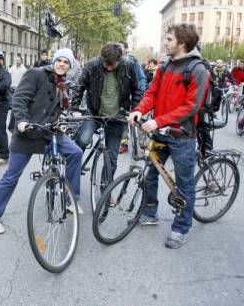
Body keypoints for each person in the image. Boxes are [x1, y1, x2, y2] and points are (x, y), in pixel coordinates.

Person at [128, 23, 210, 249]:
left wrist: (159, 120)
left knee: (184, 185)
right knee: (149, 175)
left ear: (182, 43)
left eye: (169, 39)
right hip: (160, 132)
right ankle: (150, 212)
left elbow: (192, 106)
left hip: (182, 136)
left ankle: (181, 228)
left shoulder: (198, 69)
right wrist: (139, 109)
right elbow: (151, 93)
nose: (165, 43)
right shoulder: (165, 66)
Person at [0, 48, 83, 234]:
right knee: (11, 176)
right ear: (54, 61)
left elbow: (57, 109)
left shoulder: (63, 83)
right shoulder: (36, 74)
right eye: (59, 60)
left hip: (49, 131)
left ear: (70, 66)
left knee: (75, 153)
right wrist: (22, 120)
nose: (62, 64)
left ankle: (72, 198)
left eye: (66, 62)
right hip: (29, 131)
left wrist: (61, 122)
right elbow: (20, 98)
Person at [71, 42, 142, 178]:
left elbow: (137, 89)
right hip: (94, 113)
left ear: (120, 60)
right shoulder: (92, 65)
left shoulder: (128, 66)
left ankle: (106, 189)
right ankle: (73, 170)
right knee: (83, 140)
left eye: (112, 64)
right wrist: (75, 108)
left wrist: (135, 110)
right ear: (101, 58)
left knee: (112, 158)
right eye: (106, 63)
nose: (108, 68)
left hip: (117, 117)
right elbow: (79, 86)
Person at [118, 41, 147, 153]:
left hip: (135, 93)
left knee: (139, 118)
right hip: (123, 95)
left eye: (120, 48)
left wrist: (140, 92)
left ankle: (143, 144)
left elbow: (141, 78)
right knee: (122, 118)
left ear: (126, 49)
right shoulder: (114, 60)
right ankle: (123, 143)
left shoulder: (133, 61)